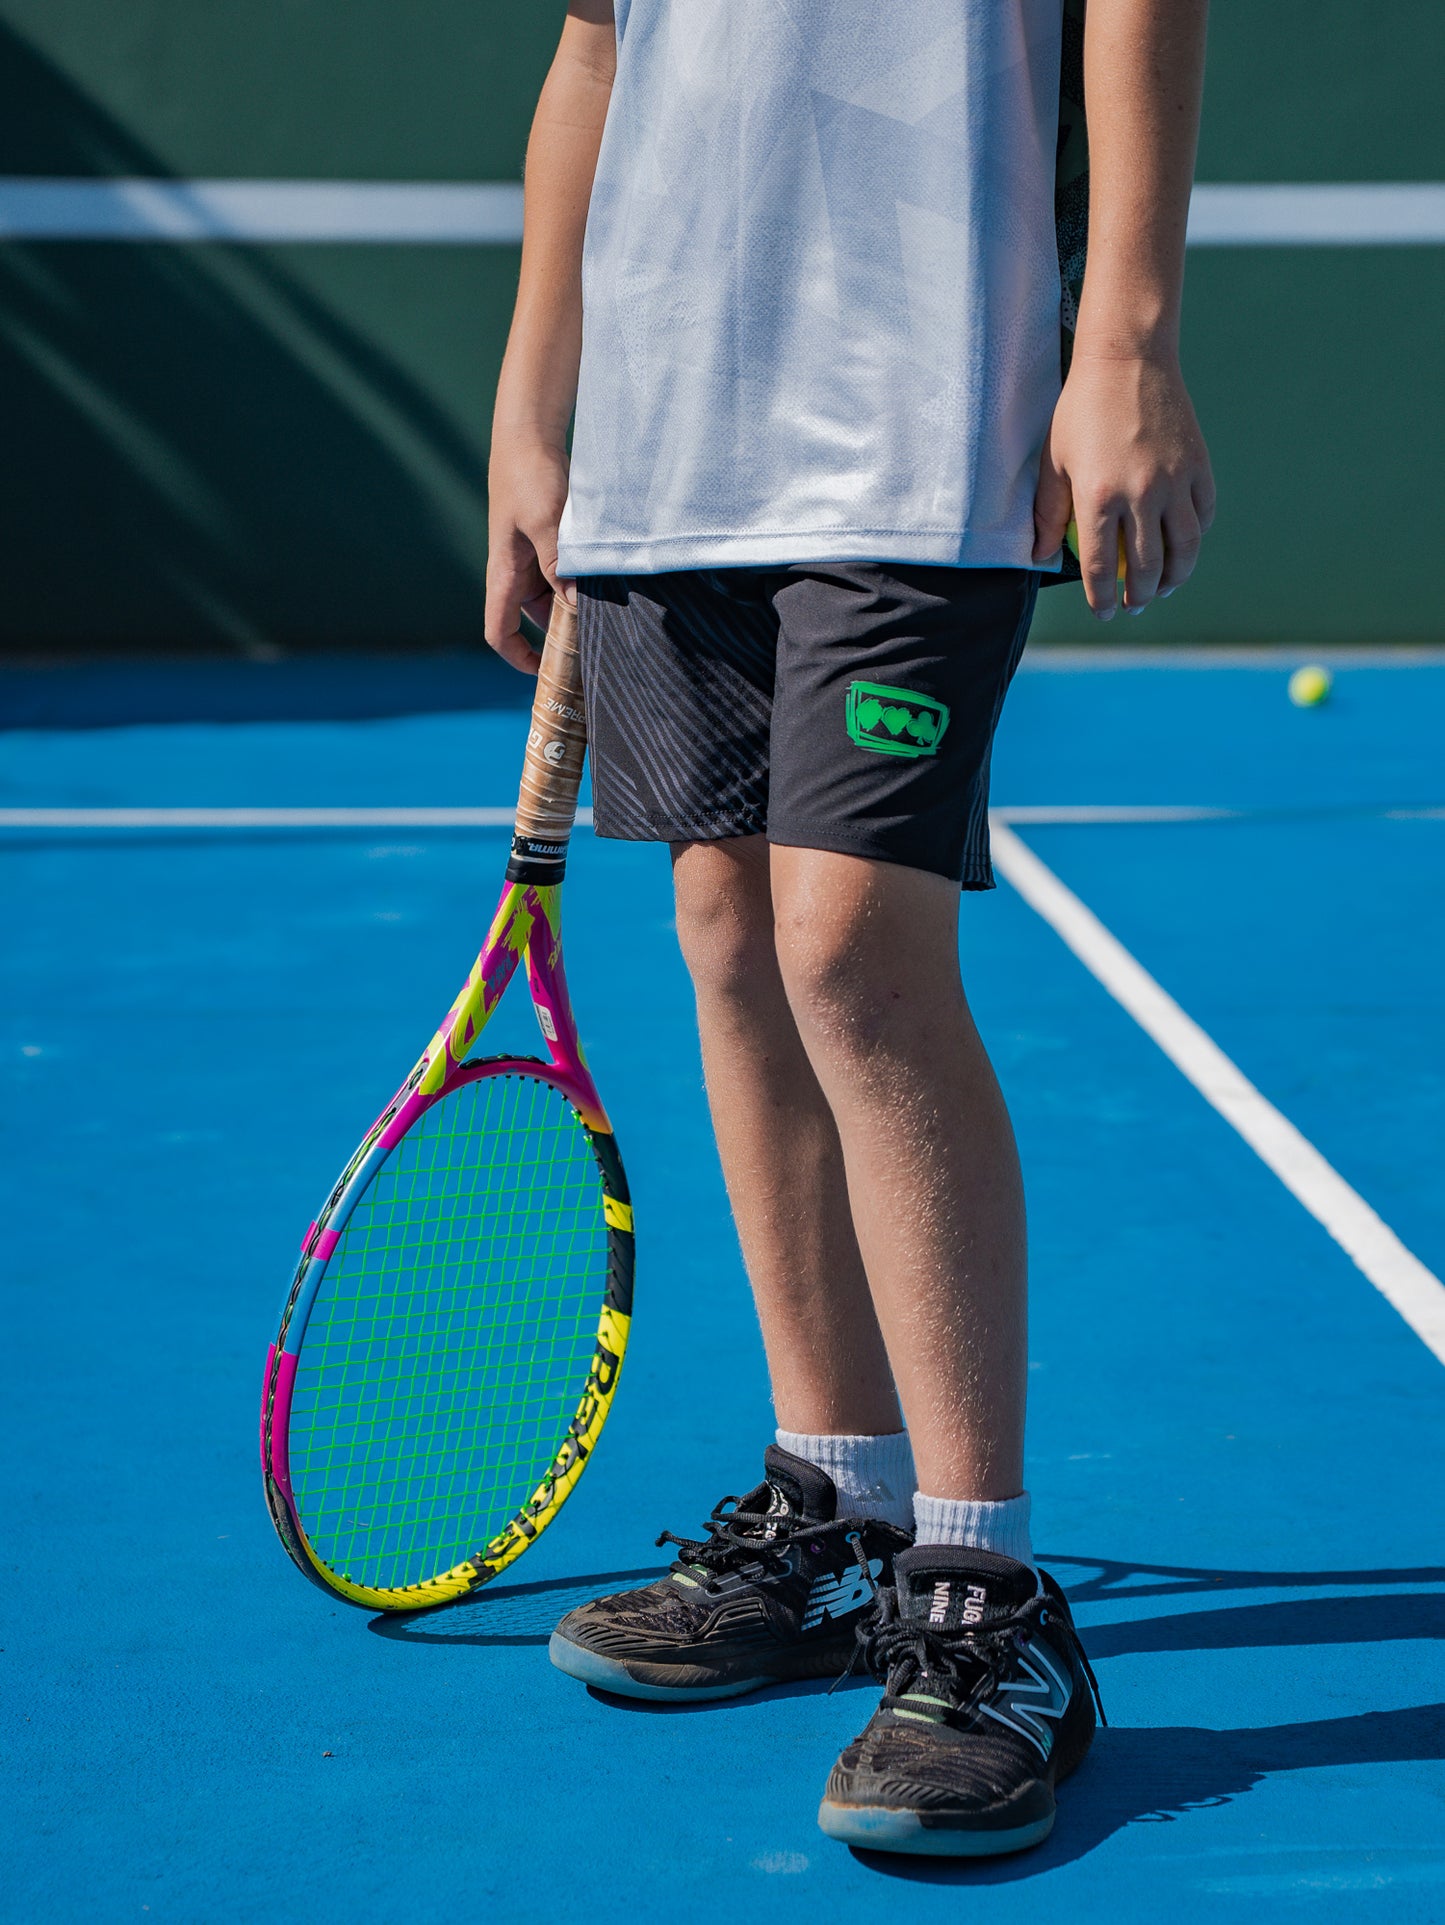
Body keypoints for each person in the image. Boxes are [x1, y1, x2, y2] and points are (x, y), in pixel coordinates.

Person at [486, 0, 1213, 1857]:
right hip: (670, 426)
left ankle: (982, 1593)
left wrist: (1121, 327)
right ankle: (837, 1500)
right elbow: (593, 58)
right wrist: (528, 407)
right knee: (729, 935)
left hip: (924, 401)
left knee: (845, 950)